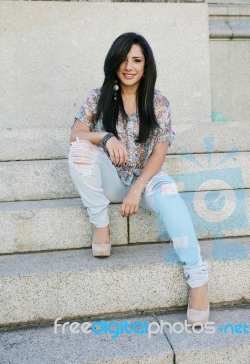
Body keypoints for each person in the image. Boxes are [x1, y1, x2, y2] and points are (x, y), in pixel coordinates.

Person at [68, 32, 209, 326]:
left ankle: (198, 281)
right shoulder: (98, 96)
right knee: (80, 150)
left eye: (137, 60)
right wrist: (105, 137)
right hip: (111, 179)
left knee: (171, 199)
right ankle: (101, 226)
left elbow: (159, 153)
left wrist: (137, 188)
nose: (129, 66)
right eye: (123, 59)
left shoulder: (158, 101)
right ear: (113, 62)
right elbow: (76, 135)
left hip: (146, 179)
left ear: (146, 65)